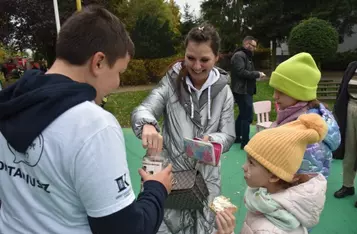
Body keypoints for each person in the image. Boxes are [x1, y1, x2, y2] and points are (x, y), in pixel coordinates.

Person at [0, 6, 174, 234]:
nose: (117, 83)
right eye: (119, 71)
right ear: (99, 62)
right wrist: (156, 188)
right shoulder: (94, 126)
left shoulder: (10, 103)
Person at [131, 23, 236, 234]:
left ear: (216, 57)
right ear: (185, 54)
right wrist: (148, 125)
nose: (196, 66)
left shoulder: (224, 92)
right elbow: (144, 109)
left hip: (207, 179)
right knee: (167, 226)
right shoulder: (170, 83)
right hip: (173, 177)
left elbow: (229, 134)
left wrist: (213, 140)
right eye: (191, 58)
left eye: (204, 59)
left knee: (204, 228)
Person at [241, 113, 328, 233]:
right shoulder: (263, 200)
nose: (243, 167)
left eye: (251, 163)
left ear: (274, 176)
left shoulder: (269, 230)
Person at [269, 52, 341, 178]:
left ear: (299, 93)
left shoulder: (307, 131)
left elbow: (302, 178)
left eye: (281, 91)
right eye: (274, 90)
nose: (274, 96)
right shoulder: (294, 114)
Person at [230, 36, 266, 149]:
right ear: (246, 44)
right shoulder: (239, 56)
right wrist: (257, 74)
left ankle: (237, 137)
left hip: (246, 90)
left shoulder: (246, 56)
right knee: (247, 116)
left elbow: (246, 72)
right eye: (253, 46)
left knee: (242, 115)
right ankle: (245, 142)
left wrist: (256, 75)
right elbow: (241, 72)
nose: (254, 49)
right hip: (241, 90)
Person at [333, 61, 357, 207]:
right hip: (350, 107)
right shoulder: (353, 66)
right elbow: (343, 88)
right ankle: (348, 186)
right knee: (349, 149)